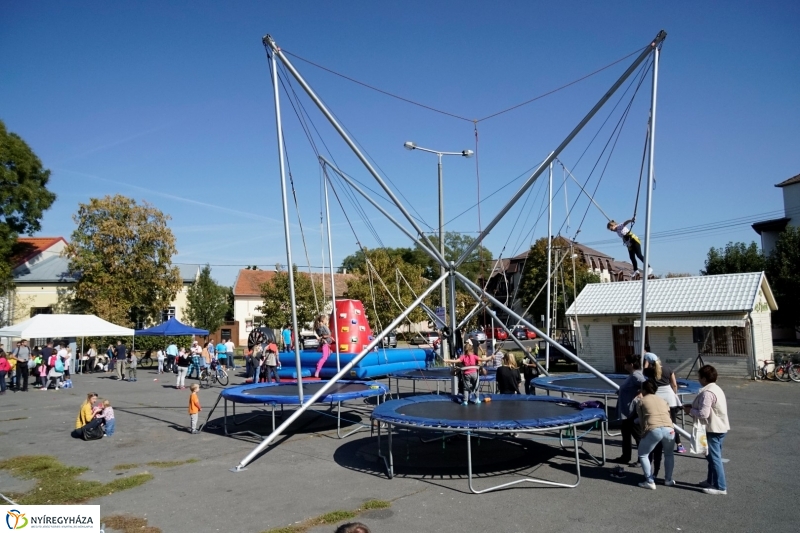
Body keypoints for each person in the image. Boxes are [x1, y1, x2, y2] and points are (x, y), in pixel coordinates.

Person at [685, 364, 730, 495]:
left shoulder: (707, 393)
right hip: (721, 427)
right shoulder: (716, 388)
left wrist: (690, 410)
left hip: (713, 428)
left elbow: (704, 413)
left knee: (714, 458)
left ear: (704, 379)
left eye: (699, 377)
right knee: (712, 457)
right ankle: (711, 481)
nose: (698, 380)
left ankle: (721, 487)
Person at [633, 379, 676, 490]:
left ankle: (650, 481)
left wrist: (643, 433)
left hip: (654, 429)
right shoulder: (663, 400)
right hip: (669, 429)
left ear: (643, 390)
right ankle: (668, 479)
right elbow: (668, 415)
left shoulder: (641, 401)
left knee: (643, 454)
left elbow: (643, 421)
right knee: (669, 454)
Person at [644, 352, 685, 453]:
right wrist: (674, 394)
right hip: (670, 397)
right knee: (673, 422)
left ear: (648, 362)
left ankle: (658, 443)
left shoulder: (648, 371)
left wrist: (646, 362)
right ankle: (679, 444)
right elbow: (674, 384)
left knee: (658, 422)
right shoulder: (668, 369)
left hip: (658, 399)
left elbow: (643, 371)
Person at [610, 354, 647, 464]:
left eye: (625, 363)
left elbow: (647, 385)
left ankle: (642, 459)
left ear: (631, 365)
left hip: (632, 411)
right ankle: (625, 456)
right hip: (626, 411)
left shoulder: (636, 375)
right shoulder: (632, 375)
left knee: (638, 436)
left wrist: (641, 393)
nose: (624, 364)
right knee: (626, 435)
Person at [313, 314, 333, 378]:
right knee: (324, 357)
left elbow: (322, 335)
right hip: (325, 343)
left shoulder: (319, 327)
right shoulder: (322, 326)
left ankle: (319, 366)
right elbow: (326, 335)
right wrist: (329, 336)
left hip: (326, 343)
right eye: (326, 319)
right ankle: (318, 370)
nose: (327, 320)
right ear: (323, 320)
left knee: (329, 354)